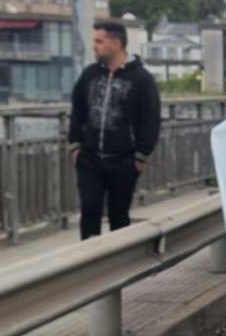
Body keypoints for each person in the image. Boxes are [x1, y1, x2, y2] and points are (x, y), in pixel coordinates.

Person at [69, 22, 161, 240]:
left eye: (99, 41)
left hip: (124, 160)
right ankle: (89, 264)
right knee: (89, 211)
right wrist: (75, 145)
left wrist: (140, 155)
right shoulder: (89, 75)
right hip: (90, 158)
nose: (94, 46)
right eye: (94, 41)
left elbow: (151, 118)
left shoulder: (142, 79)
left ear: (116, 43)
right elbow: (78, 110)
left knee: (119, 215)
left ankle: (120, 265)